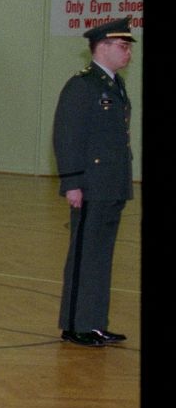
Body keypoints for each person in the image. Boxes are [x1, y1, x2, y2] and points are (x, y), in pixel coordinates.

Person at [53, 17, 135, 347]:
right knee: (84, 256)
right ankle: (75, 324)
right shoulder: (82, 85)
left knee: (101, 257)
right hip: (89, 184)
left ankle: (96, 322)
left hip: (111, 184)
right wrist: (72, 181)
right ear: (101, 47)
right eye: (122, 46)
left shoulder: (114, 85)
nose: (128, 52)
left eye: (128, 46)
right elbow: (66, 135)